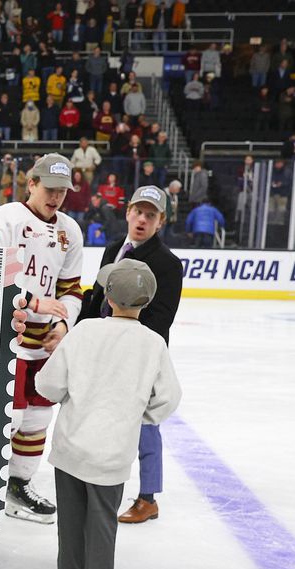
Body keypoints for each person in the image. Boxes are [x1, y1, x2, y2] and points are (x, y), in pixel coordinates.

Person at [33, 258, 181, 569]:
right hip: (111, 454)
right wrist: (137, 416)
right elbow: (167, 400)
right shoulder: (153, 343)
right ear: (145, 302)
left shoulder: (83, 332)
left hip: (70, 448)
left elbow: (48, 386)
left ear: (109, 299)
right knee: (101, 526)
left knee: (70, 521)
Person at [0, 154, 84, 543]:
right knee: (6, 420)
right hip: (7, 338)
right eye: (50, 189)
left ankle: (18, 485)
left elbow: (71, 290)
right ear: (31, 183)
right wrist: (33, 302)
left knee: (38, 418)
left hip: (44, 345)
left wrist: (62, 322)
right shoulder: (4, 218)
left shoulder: (70, 231)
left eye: (62, 191)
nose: (56, 197)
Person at [78, 185, 182, 523]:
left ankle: (148, 498)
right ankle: (94, 482)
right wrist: (81, 333)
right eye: (138, 211)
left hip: (139, 358)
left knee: (145, 424)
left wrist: (122, 342)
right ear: (127, 213)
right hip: (102, 352)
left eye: (150, 215)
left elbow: (161, 318)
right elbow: (96, 298)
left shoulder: (167, 264)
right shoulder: (113, 250)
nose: (142, 219)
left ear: (160, 221)